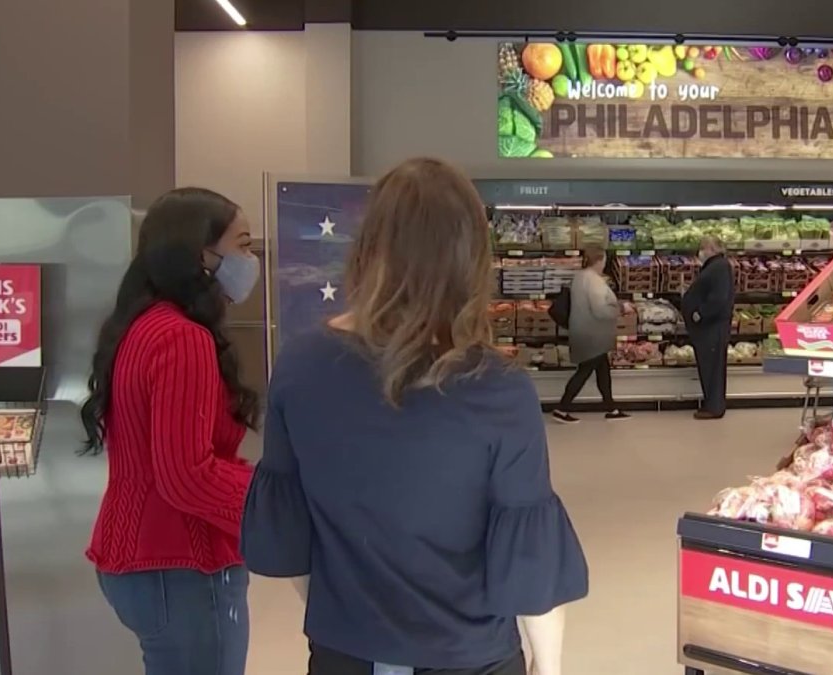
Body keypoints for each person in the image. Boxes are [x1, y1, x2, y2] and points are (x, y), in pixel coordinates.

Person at [241, 157, 589, 675]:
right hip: (469, 656)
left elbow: (291, 543)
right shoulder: (497, 387)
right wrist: (549, 666)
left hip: (344, 654)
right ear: (470, 258)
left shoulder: (300, 364)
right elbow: (530, 569)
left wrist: (360, 626)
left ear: (367, 246)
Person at [81, 187, 261, 675]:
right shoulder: (182, 338)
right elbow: (187, 476)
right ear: (202, 256)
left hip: (142, 560)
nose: (252, 261)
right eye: (243, 245)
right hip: (180, 566)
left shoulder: (143, 325)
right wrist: (273, 497)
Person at [552, 246, 630, 424]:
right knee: (584, 371)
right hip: (593, 334)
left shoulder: (579, 276)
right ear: (600, 260)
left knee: (603, 370)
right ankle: (562, 408)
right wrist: (621, 309)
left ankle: (611, 408)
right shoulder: (594, 281)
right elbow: (600, 310)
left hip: (584, 331)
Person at [681, 236, 735, 420]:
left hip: (712, 327)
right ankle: (711, 404)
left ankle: (714, 407)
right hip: (710, 327)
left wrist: (701, 313)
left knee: (713, 368)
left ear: (712, 249)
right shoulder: (715, 266)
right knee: (710, 367)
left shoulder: (719, 267)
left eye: (703, 248)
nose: (700, 251)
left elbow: (719, 298)